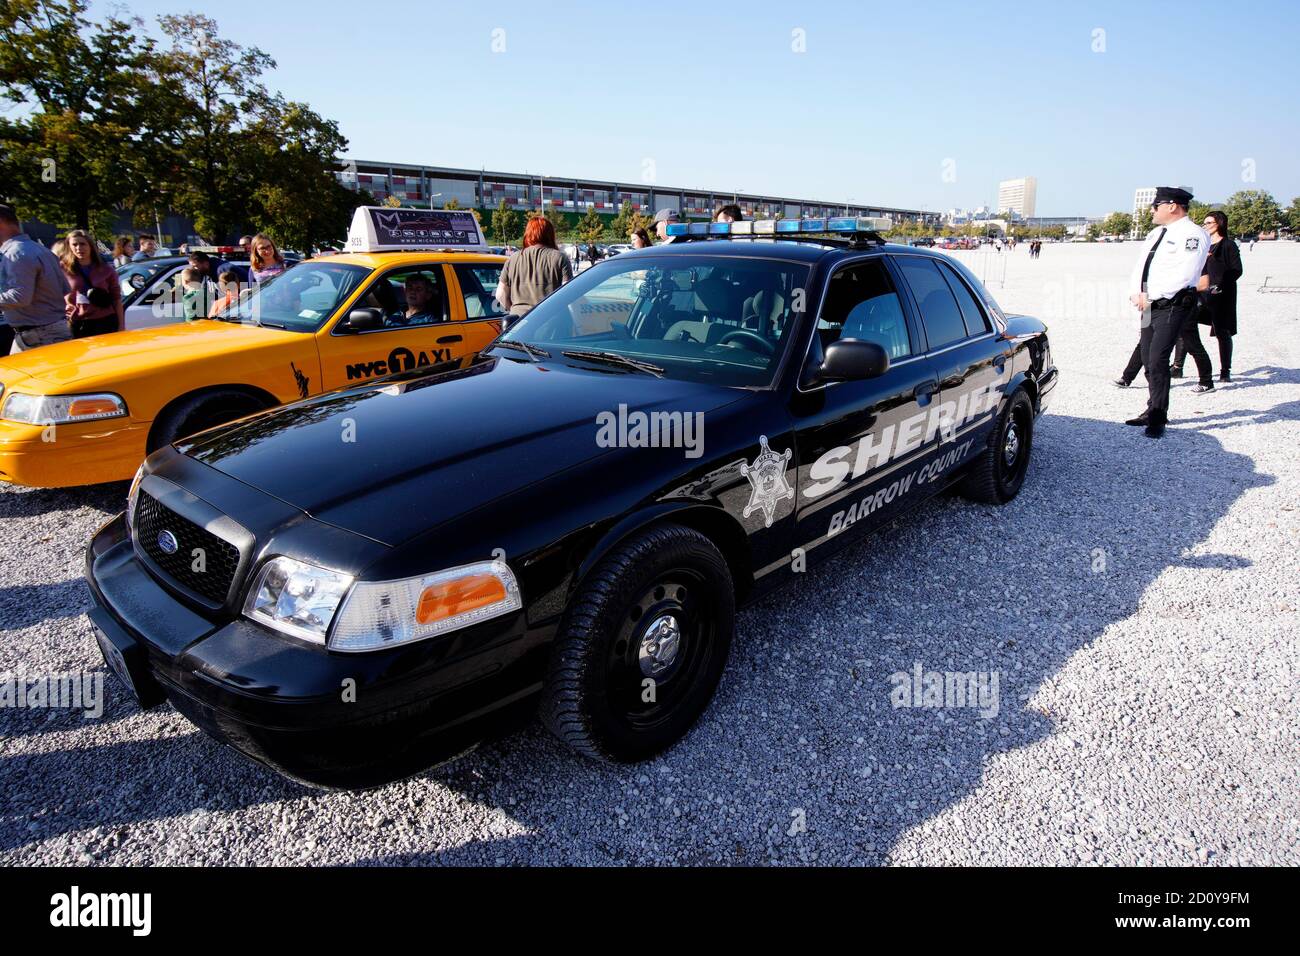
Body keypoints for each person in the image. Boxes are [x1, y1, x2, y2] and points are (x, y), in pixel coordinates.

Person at [1123, 186, 1211, 438]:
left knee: (1159, 358)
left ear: (1172, 206)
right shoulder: (1156, 234)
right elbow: (1142, 266)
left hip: (1172, 304)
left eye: (1156, 205)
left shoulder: (1193, 235)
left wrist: (1150, 294)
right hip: (1148, 304)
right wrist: (1136, 291)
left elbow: (1185, 273)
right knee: (1147, 356)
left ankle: (1158, 417)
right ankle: (1152, 408)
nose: (1153, 210)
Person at [1174, 210, 1241, 383]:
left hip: (1220, 295)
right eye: (1204, 223)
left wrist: (1219, 286)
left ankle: (1225, 371)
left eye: (1209, 222)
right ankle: (1177, 367)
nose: (1205, 226)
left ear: (1218, 224)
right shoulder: (1203, 244)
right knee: (1185, 326)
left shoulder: (1228, 245)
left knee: (1222, 331)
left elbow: (1236, 270)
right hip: (1200, 292)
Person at [0, 203, 73, 353]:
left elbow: (20, 297)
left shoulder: (16, 253)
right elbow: (65, 289)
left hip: (39, 337)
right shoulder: (41, 250)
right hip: (44, 333)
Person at [495, 216, 572, 321]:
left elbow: (500, 294)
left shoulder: (512, 259)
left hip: (518, 324)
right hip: (551, 323)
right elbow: (568, 295)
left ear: (528, 234)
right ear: (550, 235)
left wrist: (513, 309)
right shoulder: (559, 258)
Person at [62, 229, 124, 337]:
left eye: (82, 244)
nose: (79, 248)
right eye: (74, 244)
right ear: (69, 246)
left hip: (105, 321)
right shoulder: (63, 269)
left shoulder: (105, 269)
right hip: (78, 322)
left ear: (90, 246)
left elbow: (116, 299)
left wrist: (121, 325)